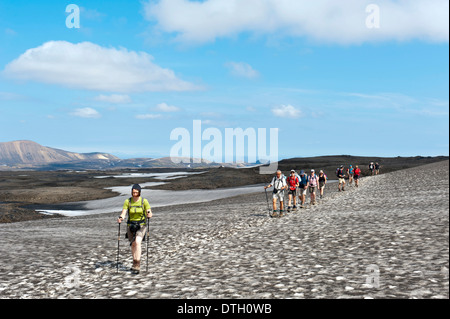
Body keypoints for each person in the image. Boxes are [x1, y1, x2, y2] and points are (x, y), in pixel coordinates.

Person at [117, 184, 152, 274]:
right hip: (131, 225)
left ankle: (137, 264)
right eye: (133, 192)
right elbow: (124, 213)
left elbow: (149, 211)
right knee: (132, 244)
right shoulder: (128, 201)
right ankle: (134, 262)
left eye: (136, 192)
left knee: (137, 242)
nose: (134, 194)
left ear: (139, 192)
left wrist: (149, 214)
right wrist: (121, 218)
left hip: (141, 225)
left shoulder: (144, 201)